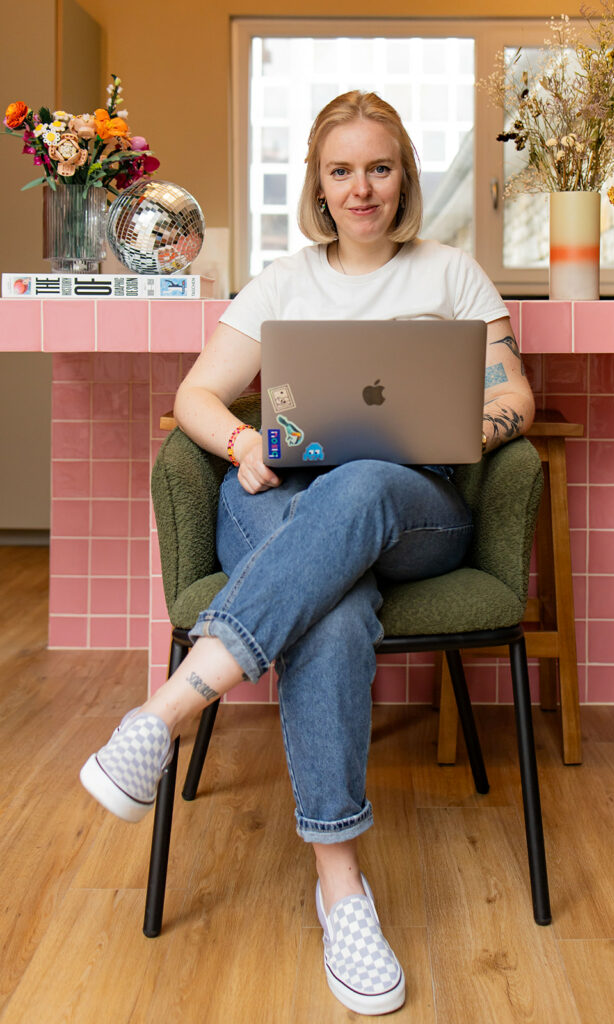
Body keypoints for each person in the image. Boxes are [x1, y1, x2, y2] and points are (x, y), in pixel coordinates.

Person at [80, 90, 534, 1015]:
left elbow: (515, 395)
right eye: (340, 171)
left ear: (402, 173)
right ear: (317, 187)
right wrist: (246, 444)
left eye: (378, 167)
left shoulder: (452, 274)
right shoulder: (283, 281)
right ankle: (342, 890)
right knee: (331, 591)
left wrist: (460, 429)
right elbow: (200, 397)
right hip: (278, 505)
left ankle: (164, 713)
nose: (359, 188)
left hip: (412, 508)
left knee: (359, 483)